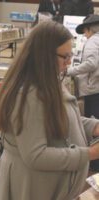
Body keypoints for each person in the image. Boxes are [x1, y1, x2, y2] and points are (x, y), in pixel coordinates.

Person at [0, 21, 99, 200]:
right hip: (32, 188)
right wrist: (91, 153)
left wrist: (93, 127)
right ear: (44, 56)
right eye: (65, 56)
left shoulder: (48, 78)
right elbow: (36, 155)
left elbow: (62, 116)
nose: (69, 62)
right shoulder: (28, 94)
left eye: (70, 55)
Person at [67, 14, 99, 171]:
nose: (85, 35)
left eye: (85, 32)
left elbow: (91, 64)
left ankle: (95, 162)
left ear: (89, 29)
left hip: (94, 88)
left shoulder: (93, 41)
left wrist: (71, 70)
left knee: (94, 122)